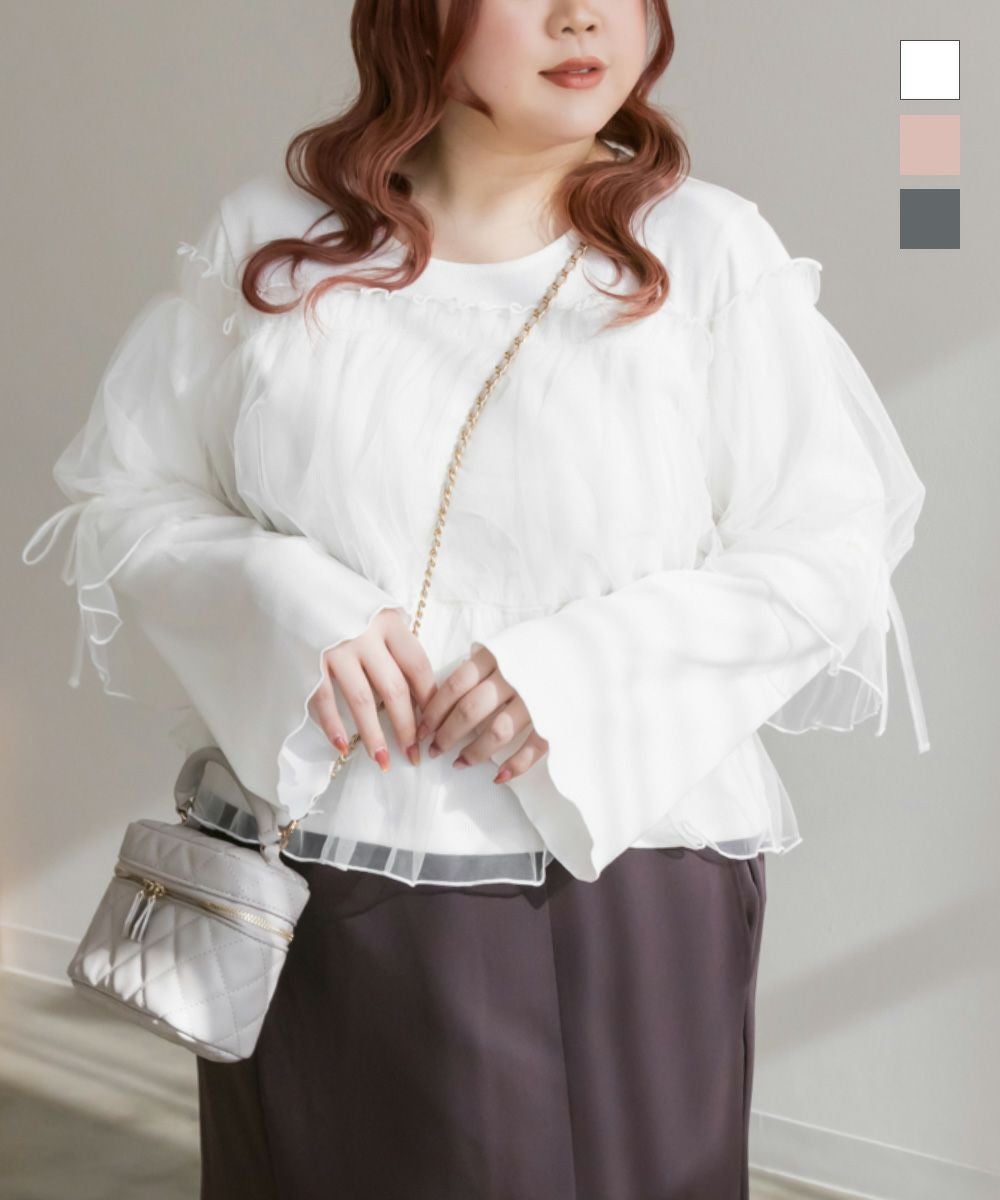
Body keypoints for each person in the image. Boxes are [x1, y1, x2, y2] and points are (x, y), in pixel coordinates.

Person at [20, 0, 930, 1196]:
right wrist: (292, 603)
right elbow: (126, 498)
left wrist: (577, 671)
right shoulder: (277, 242)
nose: (581, 16)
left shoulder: (704, 251)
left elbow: (827, 545)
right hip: (308, 870)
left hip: (612, 866)